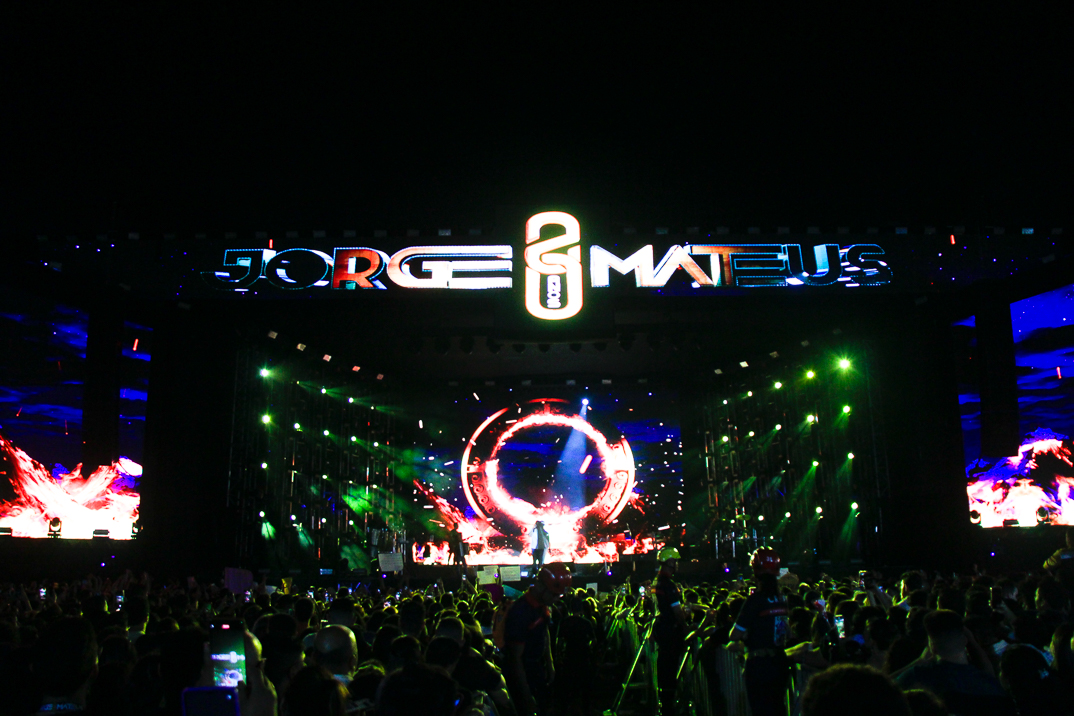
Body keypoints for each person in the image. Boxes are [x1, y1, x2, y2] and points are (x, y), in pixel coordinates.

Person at [894, 609, 1015, 716]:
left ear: (931, 646)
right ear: (964, 640)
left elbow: (885, 689)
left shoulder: (915, 677)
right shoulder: (989, 685)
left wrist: (919, 661)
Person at [503, 562, 570, 716]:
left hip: (537, 669)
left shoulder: (542, 606)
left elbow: (544, 632)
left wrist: (549, 665)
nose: (556, 599)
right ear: (540, 586)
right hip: (524, 674)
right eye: (553, 595)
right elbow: (515, 658)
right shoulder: (521, 612)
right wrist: (526, 696)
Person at [731, 547, 791, 716]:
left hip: (759, 666)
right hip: (780, 662)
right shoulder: (782, 599)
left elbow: (734, 635)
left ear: (755, 571)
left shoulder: (755, 601)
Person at [651, 546, 694, 716]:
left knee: (664, 668)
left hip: (662, 629)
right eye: (675, 561)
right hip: (670, 632)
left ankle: (665, 702)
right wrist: (685, 627)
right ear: (669, 562)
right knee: (670, 670)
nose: (676, 564)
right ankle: (669, 707)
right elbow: (677, 612)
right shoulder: (668, 585)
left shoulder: (657, 582)